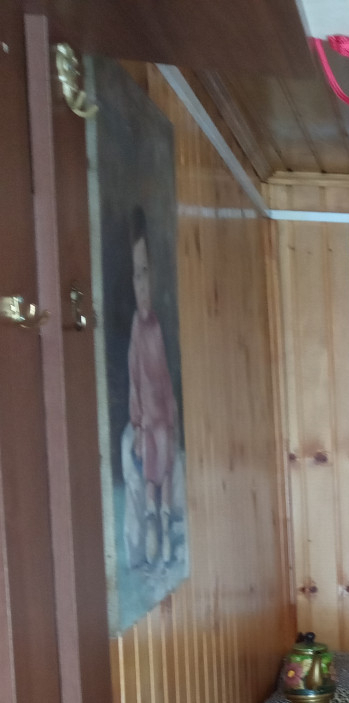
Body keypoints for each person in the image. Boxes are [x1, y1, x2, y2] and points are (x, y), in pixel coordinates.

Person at [126, 206, 178, 567]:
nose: (141, 285)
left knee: (166, 462)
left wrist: (169, 418)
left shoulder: (159, 326)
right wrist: (138, 424)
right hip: (147, 420)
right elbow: (135, 379)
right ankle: (151, 526)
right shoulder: (138, 328)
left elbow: (166, 381)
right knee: (151, 465)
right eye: (136, 276)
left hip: (164, 417)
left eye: (145, 274)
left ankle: (164, 524)